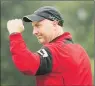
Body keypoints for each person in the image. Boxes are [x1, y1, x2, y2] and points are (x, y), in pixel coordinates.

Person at [7, 6, 92, 86]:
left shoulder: (55, 51)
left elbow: (27, 65)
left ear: (54, 24)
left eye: (38, 25)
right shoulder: (81, 51)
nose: (34, 32)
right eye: (33, 27)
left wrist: (15, 34)